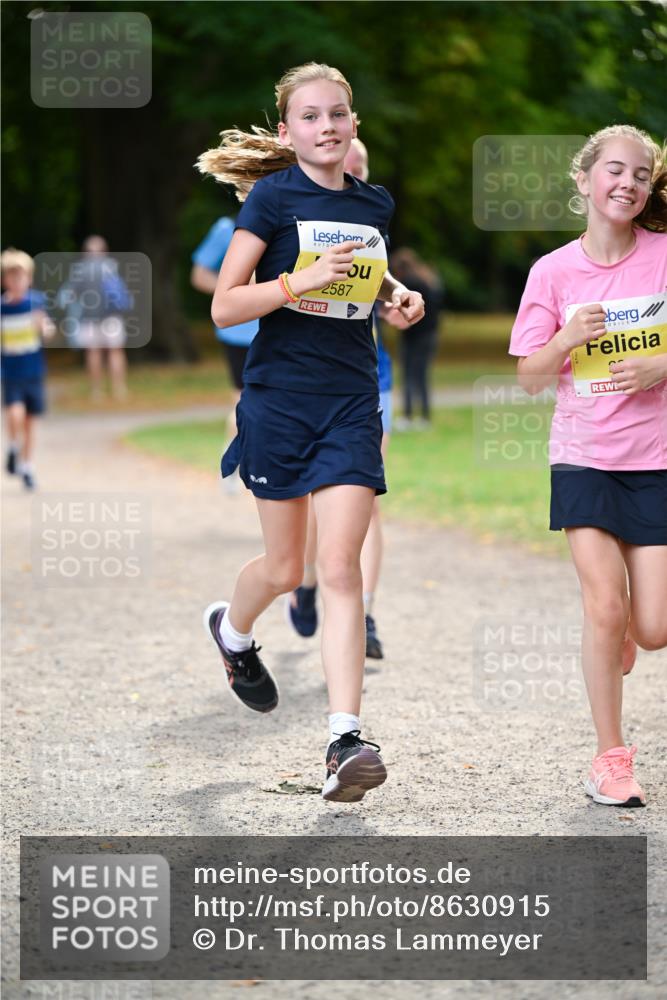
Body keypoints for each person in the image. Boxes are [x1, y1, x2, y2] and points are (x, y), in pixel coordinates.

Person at [196, 63, 424, 802]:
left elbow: (363, 273)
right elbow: (226, 307)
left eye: (337, 115)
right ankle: (232, 635)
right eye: (310, 116)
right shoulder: (269, 198)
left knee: (339, 567)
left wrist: (396, 295)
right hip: (279, 401)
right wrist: (301, 280)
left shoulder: (374, 202)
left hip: (351, 400)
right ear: (288, 131)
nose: (326, 126)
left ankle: (344, 739)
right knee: (284, 567)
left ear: (354, 124)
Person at [509, 125, 667, 808]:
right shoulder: (552, 272)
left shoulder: (663, 258)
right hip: (582, 458)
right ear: (582, 180)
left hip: (656, 458)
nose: (627, 183)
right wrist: (566, 337)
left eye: (640, 175)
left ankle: (629, 634)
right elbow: (527, 378)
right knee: (602, 606)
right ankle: (610, 758)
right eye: (613, 170)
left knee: (653, 628)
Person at [287, 137, 407, 660]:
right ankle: (309, 580)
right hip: (305, 380)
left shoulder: (369, 210)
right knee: (316, 504)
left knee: (365, 502)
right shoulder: (292, 214)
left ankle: (366, 612)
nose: (348, 170)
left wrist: (399, 294)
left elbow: (376, 276)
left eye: (359, 164)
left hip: (365, 376)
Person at [191, 218, 259, 491]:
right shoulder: (227, 228)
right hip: (240, 331)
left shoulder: (295, 221)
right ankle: (232, 464)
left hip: (281, 329)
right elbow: (199, 275)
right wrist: (235, 285)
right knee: (243, 400)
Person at [1, 248, 55, 490]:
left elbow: (49, 329)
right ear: (5, 281)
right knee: (15, 413)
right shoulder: (2, 308)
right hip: (11, 372)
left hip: (33, 371)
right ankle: (13, 446)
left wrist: (44, 328)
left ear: (29, 278)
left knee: (30, 422)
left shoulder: (37, 302)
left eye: (21, 277)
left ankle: (27, 466)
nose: (17, 281)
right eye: (12, 277)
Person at [58, 235, 131, 401]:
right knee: (112, 352)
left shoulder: (81, 271)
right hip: (110, 318)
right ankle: (118, 389)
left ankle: (98, 391)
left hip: (92, 318)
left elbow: (67, 296)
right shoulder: (112, 267)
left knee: (97, 352)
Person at [390, 248, 443, 429]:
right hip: (429, 335)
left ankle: (408, 415)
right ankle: (424, 416)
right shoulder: (427, 278)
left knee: (408, 375)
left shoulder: (409, 284)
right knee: (421, 376)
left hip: (414, 336)